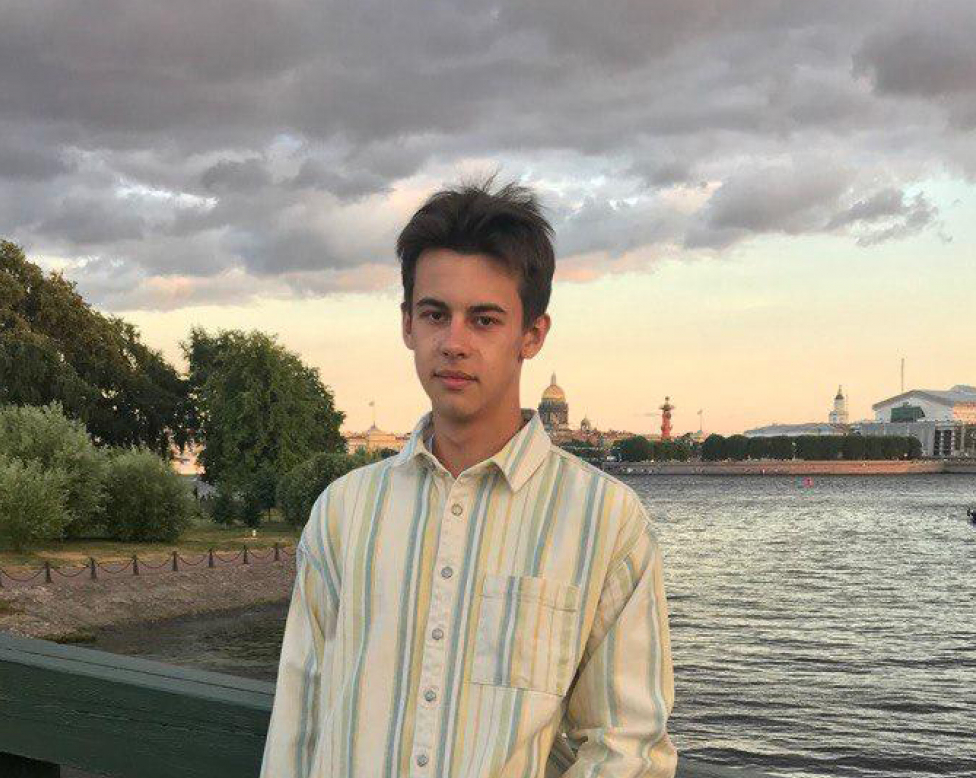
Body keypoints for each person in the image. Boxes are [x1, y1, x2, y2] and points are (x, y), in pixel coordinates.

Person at [259, 177, 677, 777]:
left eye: (483, 320)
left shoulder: (603, 522)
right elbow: (300, 719)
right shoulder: (344, 512)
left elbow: (628, 745)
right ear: (408, 325)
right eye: (436, 314)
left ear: (531, 335)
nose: (453, 343)